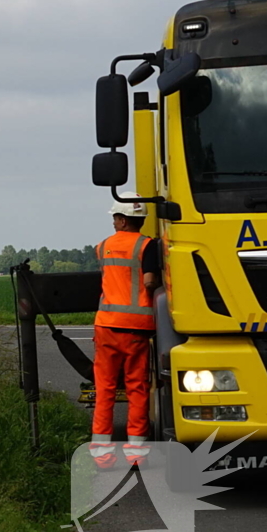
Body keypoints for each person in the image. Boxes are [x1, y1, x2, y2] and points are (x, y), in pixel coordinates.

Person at [89, 192, 161, 469]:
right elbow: (150, 281)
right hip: (136, 328)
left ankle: (102, 455)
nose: (113, 222)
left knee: (105, 389)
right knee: (137, 389)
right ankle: (136, 455)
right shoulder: (147, 246)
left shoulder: (103, 246)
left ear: (122, 220)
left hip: (106, 325)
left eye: (115, 218)